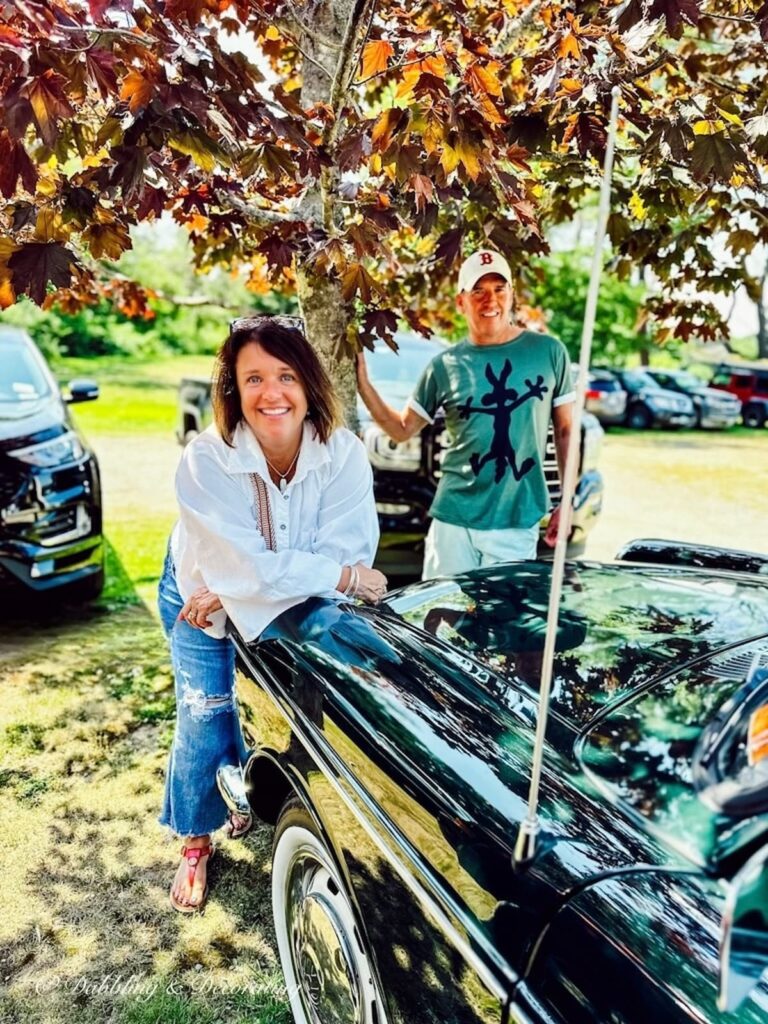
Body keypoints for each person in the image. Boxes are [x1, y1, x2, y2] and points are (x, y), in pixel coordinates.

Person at [158, 314, 387, 913]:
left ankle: (238, 787)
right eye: (253, 378)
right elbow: (325, 570)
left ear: (309, 383)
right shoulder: (206, 459)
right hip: (197, 592)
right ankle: (194, 841)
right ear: (234, 389)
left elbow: (342, 551)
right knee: (205, 711)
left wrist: (250, 581)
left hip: (261, 595)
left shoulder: (341, 454)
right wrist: (331, 577)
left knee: (278, 700)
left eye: (286, 375)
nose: (272, 393)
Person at [356, 249, 575, 578]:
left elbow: (566, 432)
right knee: (441, 619)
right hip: (453, 520)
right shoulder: (445, 365)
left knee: (501, 624)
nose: (491, 301)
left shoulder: (547, 352)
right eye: (479, 291)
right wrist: (363, 385)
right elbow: (402, 430)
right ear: (461, 302)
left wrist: (567, 501)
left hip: (515, 519)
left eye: (499, 289)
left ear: (512, 295)